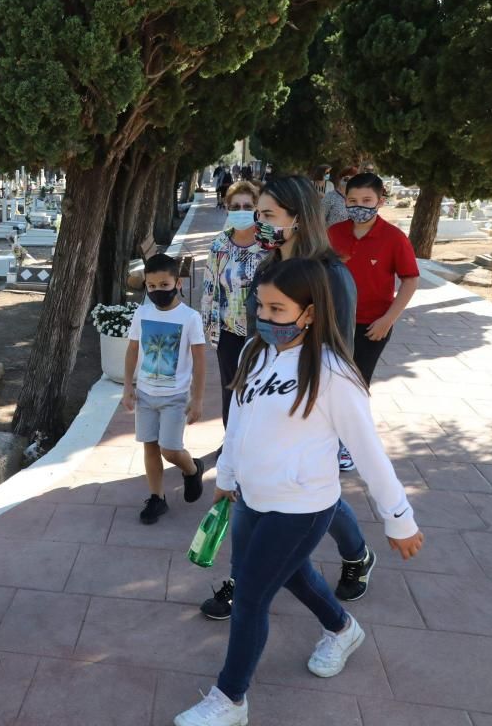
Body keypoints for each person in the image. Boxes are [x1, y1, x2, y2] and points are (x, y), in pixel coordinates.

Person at [174, 258, 423, 726]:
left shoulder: (334, 373)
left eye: (278, 309)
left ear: (309, 312)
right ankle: (342, 628)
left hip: (304, 506)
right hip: (251, 497)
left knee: (249, 595)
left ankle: (231, 699)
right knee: (290, 574)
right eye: (261, 307)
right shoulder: (253, 351)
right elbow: (241, 420)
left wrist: (399, 518)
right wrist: (226, 477)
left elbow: (369, 453)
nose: (265, 318)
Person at [201, 176, 375, 622]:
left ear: (298, 218)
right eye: (257, 214)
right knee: (257, 485)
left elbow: (340, 352)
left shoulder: (332, 276)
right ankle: (246, 578)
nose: (259, 224)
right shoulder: (267, 268)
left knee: (312, 493)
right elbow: (259, 332)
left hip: (308, 407)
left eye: (268, 215)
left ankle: (355, 553)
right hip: (262, 395)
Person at [121, 254, 207, 524]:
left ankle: (192, 470)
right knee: (149, 446)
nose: (158, 291)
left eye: (164, 284)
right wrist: (128, 386)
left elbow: (201, 360)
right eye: (152, 286)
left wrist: (197, 399)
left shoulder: (190, 318)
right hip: (146, 394)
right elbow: (133, 350)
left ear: (178, 283)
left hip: (175, 396)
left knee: (170, 449)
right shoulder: (142, 313)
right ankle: (157, 498)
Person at [328, 172, 420, 386]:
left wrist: (388, 320)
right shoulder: (333, 233)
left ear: (380, 202)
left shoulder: (394, 238)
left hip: (371, 326)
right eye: (353, 201)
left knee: (356, 384)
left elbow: (410, 280)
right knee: (329, 382)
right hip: (334, 322)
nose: (359, 206)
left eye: (366, 200)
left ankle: (354, 420)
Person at [200, 181, 267, 425]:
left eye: (247, 205)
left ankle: (253, 445)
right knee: (230, 389)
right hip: (228, 332)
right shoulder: (219, 244)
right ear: (227, 208)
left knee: (259, 389)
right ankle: (230, 443)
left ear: (257, 208)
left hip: (262, 332)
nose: (241, 210)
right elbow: (209, 287)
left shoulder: (268, 245)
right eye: (235, 206)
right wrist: (208, 327)